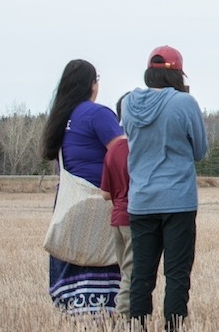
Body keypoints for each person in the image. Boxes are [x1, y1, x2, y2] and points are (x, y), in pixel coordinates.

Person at [120, 46, 208, 331]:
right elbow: (200, 151)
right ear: (177, 75)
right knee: (177, 274)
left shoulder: (128, 104)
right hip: (177, 200)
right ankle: (173, 326)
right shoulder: (185, 103)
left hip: (141, 200)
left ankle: (138, 325)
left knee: (141, 275)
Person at [40, 59, 124, 315]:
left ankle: (74, 306)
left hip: (68, 203)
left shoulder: (60, 118)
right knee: (103, 258)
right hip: (98, 202)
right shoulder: (97, 114)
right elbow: (122, 154)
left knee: (74, 257)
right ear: (92, 84)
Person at [100, 93, 132, 318]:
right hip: (135, 217)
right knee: (132, 275)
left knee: (125, 273)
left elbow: (105, 193)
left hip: (117, 219)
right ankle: (122, 320)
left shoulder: (113, 150)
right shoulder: (138, 148)